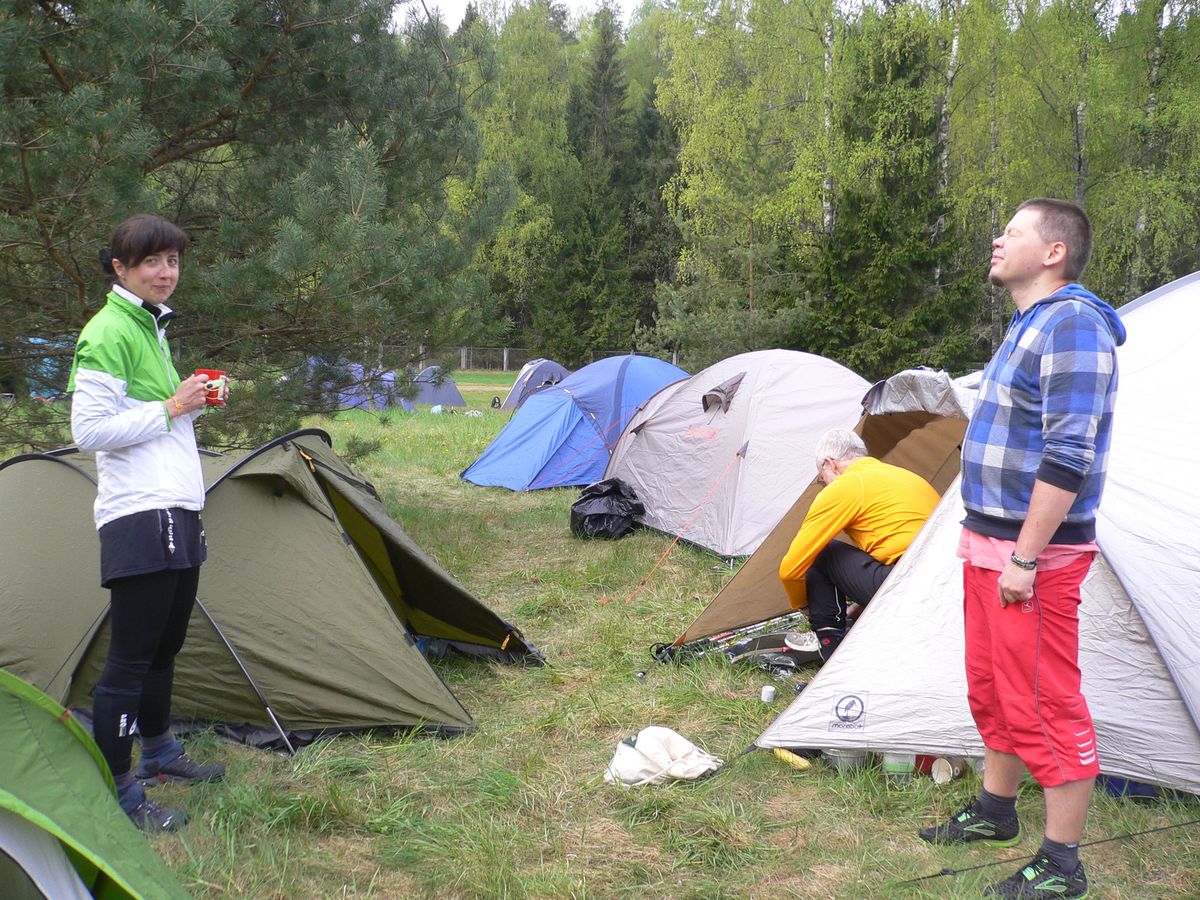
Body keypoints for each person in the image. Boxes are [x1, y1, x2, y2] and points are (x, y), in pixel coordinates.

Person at [918, 198, 1125, 900]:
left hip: (1033, 556)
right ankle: (995, 809)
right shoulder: (1029, 322)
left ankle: (1063, 863)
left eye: (1013, 231)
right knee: (992, 686)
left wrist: (1027, 557)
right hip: (991, 542)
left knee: (1045, 701)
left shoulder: (1073, 325)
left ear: (1054, 252)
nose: (997, 240)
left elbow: (1070, 452)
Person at [68, 213, 225, 832]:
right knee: (131, 659)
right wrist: (171, 406)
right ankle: (119, 791)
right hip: (139, 512)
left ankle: (159, 751)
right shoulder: (109, 330)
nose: (166, 272)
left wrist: (191, 404)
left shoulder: (149, 328)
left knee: (165, 648)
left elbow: (158, 419)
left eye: (173, 261)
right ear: (121, 268)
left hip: (178, 505)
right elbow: (89, 431)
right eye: (152, 262)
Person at [778, 428, 940, 662]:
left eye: (822, 480)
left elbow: (790, 570)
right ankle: (852, 629)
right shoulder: (906, 476)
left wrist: (805, 607)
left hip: (906, 585)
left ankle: (832, 650)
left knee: (819, 552)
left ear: (831, 464)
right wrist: (857, 607)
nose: (825, 485)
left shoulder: (847, 484)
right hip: (947, 584)